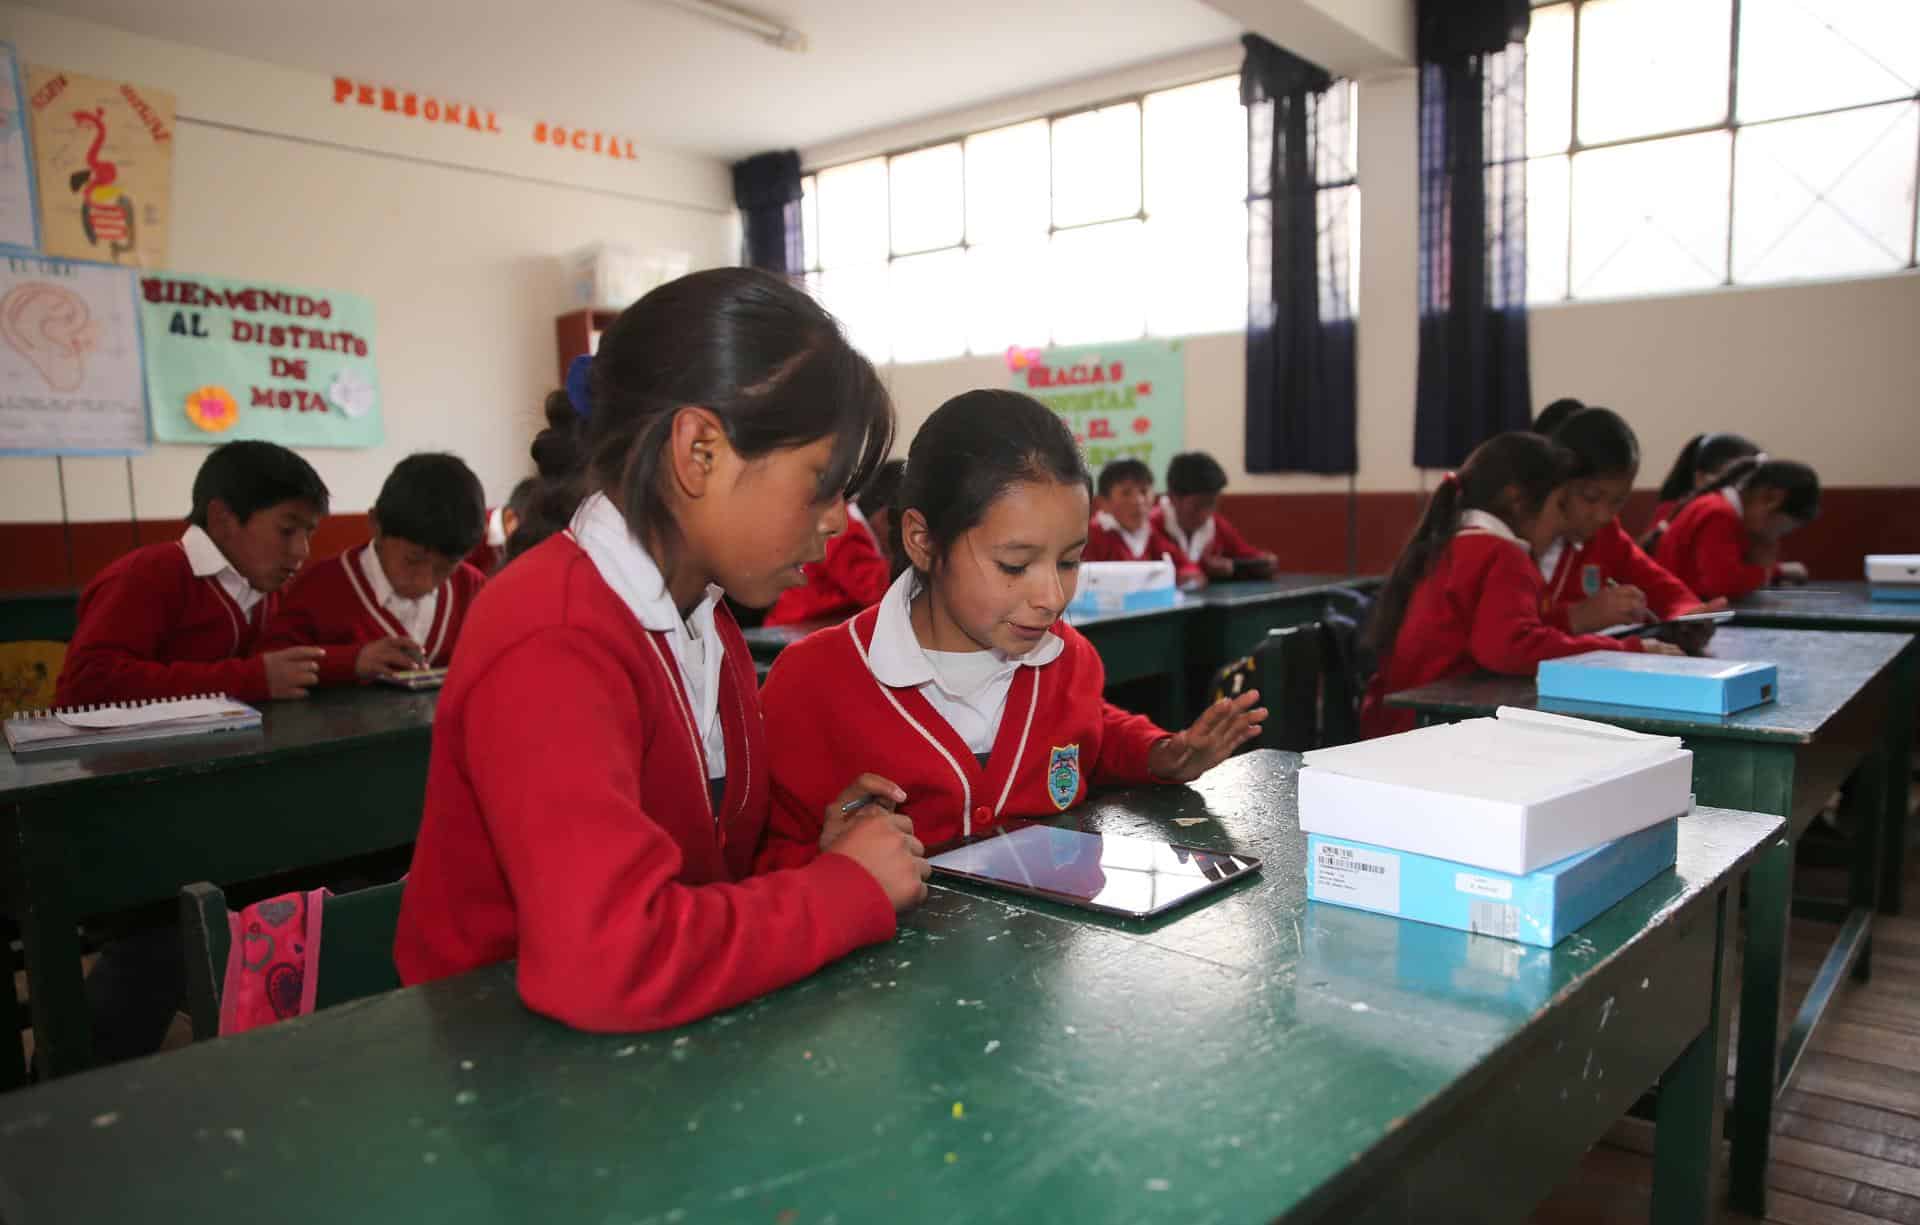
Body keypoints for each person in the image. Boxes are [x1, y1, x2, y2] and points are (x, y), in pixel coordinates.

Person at [393, 268, 929, 1032]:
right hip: (501, 1070)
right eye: (821, 483)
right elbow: (607, 957)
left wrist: (818, 861)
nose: (841, 522)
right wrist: (840, 890)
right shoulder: (552, 632)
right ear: (699, 450)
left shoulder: (705, 624)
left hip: (648, 1053)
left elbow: (703, 881)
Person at [758, 390, 1265, 862]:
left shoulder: (1069, 658)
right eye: (1015, 565)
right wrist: (827, 861)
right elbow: (764, 871)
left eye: (1069, 562)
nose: (1052, 598)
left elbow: (1085, 726)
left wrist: (1160, 753)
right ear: (922, 540)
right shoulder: (810, 684)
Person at [1359, 432, 1677, 739]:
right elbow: (1509, 649)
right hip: (1427, 734)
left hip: (1393, 726)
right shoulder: (1502, 554)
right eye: (1559, 506)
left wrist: (1566, 622)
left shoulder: (1454, 543)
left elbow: (1500, 634)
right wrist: (1624, 652)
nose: (1564, 523)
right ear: (1518, 501)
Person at [57, 440, 330, 707]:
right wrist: (249, 678)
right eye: (286, 530)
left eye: (309, 533)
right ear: (222, 519)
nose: (301, 551)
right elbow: (87, 686)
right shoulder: (147, 574)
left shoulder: (269, 585)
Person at [263, 452, 490, 683]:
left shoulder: (474, 588)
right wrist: (351, 661)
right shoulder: (320, 587)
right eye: (412, 560)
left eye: (445, 567)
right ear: (376, 526)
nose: (424, 582)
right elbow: (270, 662)